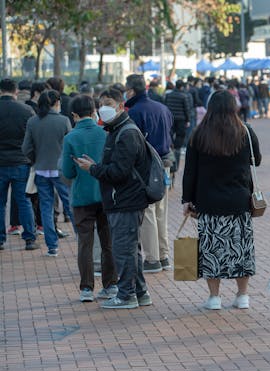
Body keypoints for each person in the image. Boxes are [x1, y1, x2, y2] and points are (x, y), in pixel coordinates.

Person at [182, 90, 261, 310]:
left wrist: (187, 199)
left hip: (208, 202)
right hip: (239, 201)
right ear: (234, 106)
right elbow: (258, 160)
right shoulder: (245, 131)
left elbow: (190, 171)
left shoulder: (199, 134)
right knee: (241, 248)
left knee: (211, 249)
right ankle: (242, 295)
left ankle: (214, 297)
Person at [74, 88, 152, 309]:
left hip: (126, 200)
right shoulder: (116, 130)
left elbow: (119, 172)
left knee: (123, 249)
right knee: (130, 249)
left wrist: (94, 169)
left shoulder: (126, 133)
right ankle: (139, 292)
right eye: (100, 104)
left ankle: (127, 295)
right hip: (123, 199)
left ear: (120, 105)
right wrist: (96, 167)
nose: (102, 108)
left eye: (107, 103)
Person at [61, 95, 118, 302]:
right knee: (108, 242)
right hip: (105, 194)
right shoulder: (106, 132)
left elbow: (67, 172)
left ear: (74, 115)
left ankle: (86, 289)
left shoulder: (70, 138)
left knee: (85, 243)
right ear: (94, 111)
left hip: (82, 196)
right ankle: (111, 284)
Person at [124, 74, 174, 274]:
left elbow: (134, 142)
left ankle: (152, 258)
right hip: (165, 162)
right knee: (161, 210)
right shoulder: (162, 107)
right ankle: (163, 255)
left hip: (147, 166)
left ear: (131, 90)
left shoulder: (135, 111)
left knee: (148, 211)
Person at [22, 89, 74, 257]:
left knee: (45, 207)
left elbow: (26, 148)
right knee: (70, 204)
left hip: (41, 168)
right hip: (61, 170)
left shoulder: (33, 121)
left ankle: (52, 246)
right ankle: (82, 238)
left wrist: (35, 159)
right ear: (56, 103)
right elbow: (71, 146)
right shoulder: (64, 120)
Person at [0, 78, 38, 252]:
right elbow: (32, 138)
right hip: (21, 162)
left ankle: (1, 239)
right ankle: (29, 238)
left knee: (0, 203)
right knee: (23, 201)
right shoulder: (27, 110)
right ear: (16, 92)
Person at [164, 80, 191, 173]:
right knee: (180, 135)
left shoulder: (169, 95)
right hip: (181, 119)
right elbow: (186, 109)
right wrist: (188, 120)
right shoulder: (184, 96)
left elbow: (165, 106)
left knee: (170, 134)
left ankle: (171, 147)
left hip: (170, 118)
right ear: (182, 87)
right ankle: (177, 149)